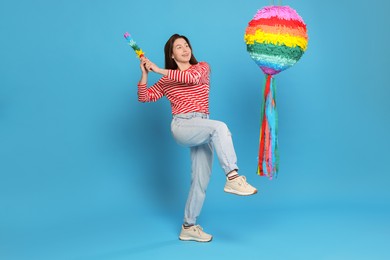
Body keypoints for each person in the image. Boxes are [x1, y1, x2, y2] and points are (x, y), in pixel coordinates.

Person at [137, 34, 257, 242]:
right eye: (178, 47)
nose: (185, 49)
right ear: (171, 55)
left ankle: (188, 226)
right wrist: (145, 74)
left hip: (202, 125)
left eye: (186, 45)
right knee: (220, 128)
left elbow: (190, 79)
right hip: (183, 125)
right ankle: (233, 176)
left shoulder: (202, 67)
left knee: (200, 180)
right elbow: (144, 97)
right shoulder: (167, 80)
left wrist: (158, 69)